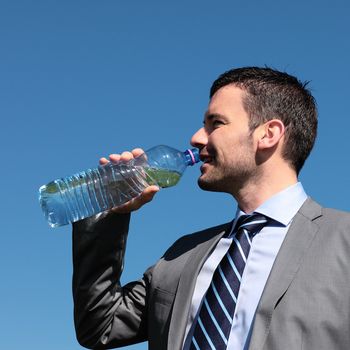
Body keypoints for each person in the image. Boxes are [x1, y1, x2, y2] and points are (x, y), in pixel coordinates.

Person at [72, 67, 350, 350]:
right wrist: (111, 212)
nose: (196, 138)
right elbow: (99, 326)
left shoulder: (343, 240)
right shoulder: (181, 256)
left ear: (269, 134)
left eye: (215, 123)